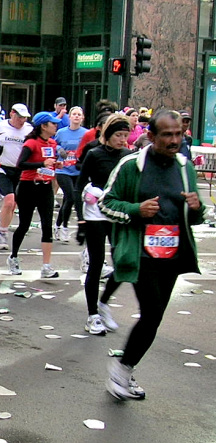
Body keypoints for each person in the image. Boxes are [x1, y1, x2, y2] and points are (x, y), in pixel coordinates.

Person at [100, 110, 205, 400]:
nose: (174, 140)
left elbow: (195, 217)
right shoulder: (131, 165)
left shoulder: (184, 167)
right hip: (139, 254)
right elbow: (106, 203)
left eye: (178, 134)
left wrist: (196, 208)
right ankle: (120, 372)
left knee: (154, 318)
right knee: (151, 313)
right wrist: (136, 210)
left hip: (171, 254)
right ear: (151, 136)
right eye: (167, 135)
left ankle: (124, 369)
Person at [74, 113, 132, 335]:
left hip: (117, 211)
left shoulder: (128, 156)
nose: (122, 139)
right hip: (95, 212)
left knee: (123, 263)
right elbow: (79, 186)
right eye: (118, 134)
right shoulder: (94, 154)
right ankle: (92, 316)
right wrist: (80, 219)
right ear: (108, 134)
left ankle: (104, 302)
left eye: (125, 135)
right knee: (96, 264)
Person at [6, 112, 62, 278]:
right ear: (43, 126)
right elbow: (20, 164)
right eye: (53, 124)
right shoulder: (31, 143)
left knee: (47, 226)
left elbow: (48, 162)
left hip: (45, 187)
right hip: (28, 187)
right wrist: (41, 163)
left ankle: (46, 266)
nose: (56, 126)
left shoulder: (52, 143)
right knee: (25, 224)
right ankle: (13, 256)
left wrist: (54, 165)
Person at [0, 104, 32, 250]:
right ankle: (2, 234)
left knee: (13, 203)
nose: (22, 121)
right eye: (19, 117)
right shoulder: (0, 126)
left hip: (20, 170)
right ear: (11, 114)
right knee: (9, 200)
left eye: (24, 118)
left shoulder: (29, 129)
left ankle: (2, 230)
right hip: (1, 168)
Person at [53, 106, 87, 243]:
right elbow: (52, 144)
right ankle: (65, 228)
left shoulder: (86, 133)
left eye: (79, 114)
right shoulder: (61, 132)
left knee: (71, 199)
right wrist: (59, 149)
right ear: (70, 117)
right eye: (74, 114)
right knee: (70, 197)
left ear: (83, 117)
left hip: (78, 170)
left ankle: (57, 225)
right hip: (63, 170)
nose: (77, 116)